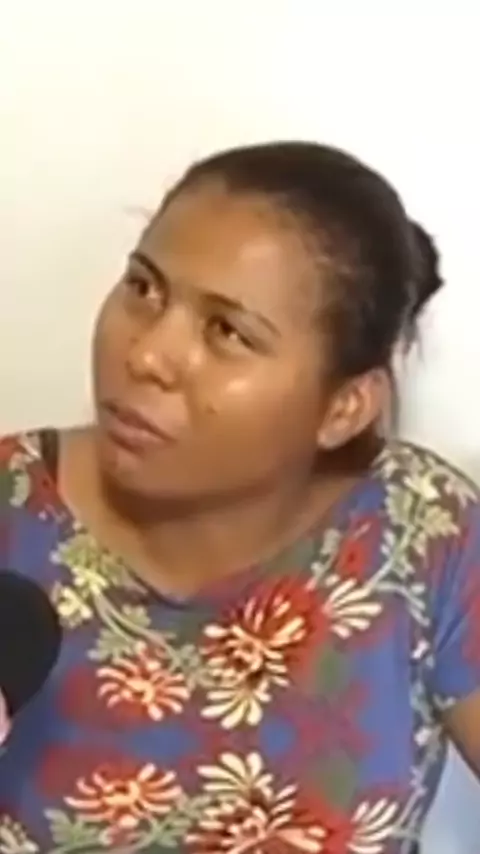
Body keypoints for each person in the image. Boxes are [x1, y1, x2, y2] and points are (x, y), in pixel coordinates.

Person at [0, 141, 479, 854]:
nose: (145, 355)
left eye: (227, 331)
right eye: (143, 288)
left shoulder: (422, 530)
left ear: (344, 408)